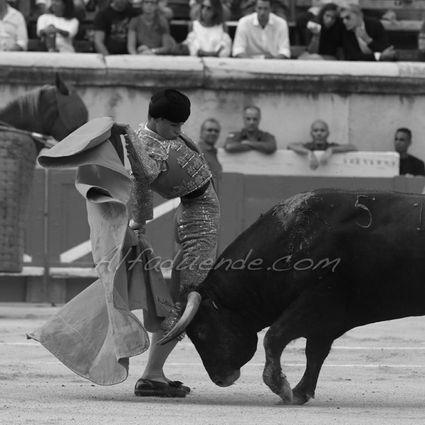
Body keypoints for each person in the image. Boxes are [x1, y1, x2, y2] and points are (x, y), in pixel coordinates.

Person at [123, 89, 220, 397]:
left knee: (186, 293)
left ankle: (154, 372)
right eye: (175, 126)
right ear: (159, 119)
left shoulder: (147, 134)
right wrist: (138, 223)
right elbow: (142, 184)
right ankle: (152, 374)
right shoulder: (143, 147)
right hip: (197, 214)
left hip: (190, 211)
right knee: (188, 296)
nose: (180, 131)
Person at [287, 119, 357, 170]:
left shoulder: (331, 146)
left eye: (322, 130)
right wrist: (309, 153)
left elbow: (353, 147)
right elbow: (290, 145)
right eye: (316, 130)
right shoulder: (308, 146)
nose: (319, 133)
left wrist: (331, 150)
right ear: (311, 133)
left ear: (328, 133)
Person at [198, 118, 223, 194]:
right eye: (209, 130)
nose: (213, 133)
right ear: (201, 132)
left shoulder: (216, 154)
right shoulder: (195, 152)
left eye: (216, 131)